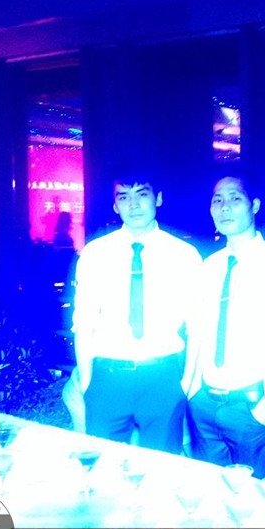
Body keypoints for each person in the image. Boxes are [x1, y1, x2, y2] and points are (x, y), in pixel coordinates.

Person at [72, 173, 202, 453]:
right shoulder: (95, 254)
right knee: (104, 466)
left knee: (162, 468)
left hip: (162, 378)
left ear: (158, 198)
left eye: (142, 194)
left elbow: (197, 325)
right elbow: (83, 322)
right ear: (115, 206)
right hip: (107, 378)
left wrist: (185, 383)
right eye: (123, 197)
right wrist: (87, 383)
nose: (133, 204)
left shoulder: (184, 255)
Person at [185, 175, 265, 478]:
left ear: (254, 205)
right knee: (210, 491)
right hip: (204, 402)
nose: (225, 207)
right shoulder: (209, 267)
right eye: (217, 200)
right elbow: (198, 331)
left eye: (235, 198)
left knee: (255, 497)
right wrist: (192, 391)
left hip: (249, 406)